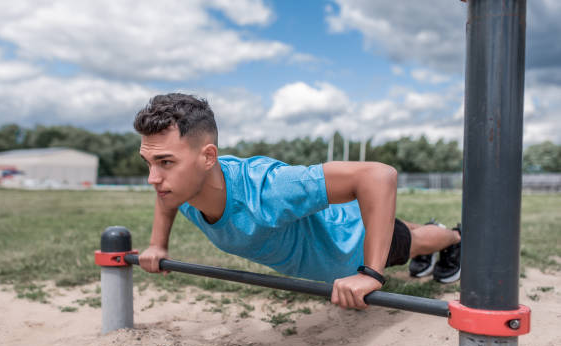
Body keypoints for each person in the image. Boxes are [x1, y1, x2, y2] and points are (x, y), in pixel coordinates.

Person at [134, 93, 461, 310]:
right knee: (401, 228)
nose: (153, 179)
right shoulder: (180, 185)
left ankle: (458, 239)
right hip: (336, 221)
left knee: (410, 239)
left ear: (207, 157)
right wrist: (157, 244)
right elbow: (167, 198)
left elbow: (379, 176)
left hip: (348, 242)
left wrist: (371, 274)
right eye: (150, 163)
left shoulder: (267, 190)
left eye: (165, 163)